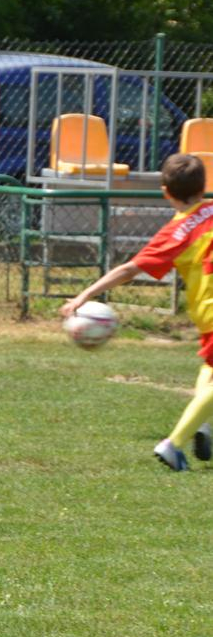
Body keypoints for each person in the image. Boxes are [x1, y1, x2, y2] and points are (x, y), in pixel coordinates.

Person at [61, 152, 213, 472]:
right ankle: (173, 445)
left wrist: (84, 295)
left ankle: (202, 422)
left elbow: (129, 269)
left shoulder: (175, 233)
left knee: (210, 368)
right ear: (204, 187)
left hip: (205, 311)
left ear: (165, 192)